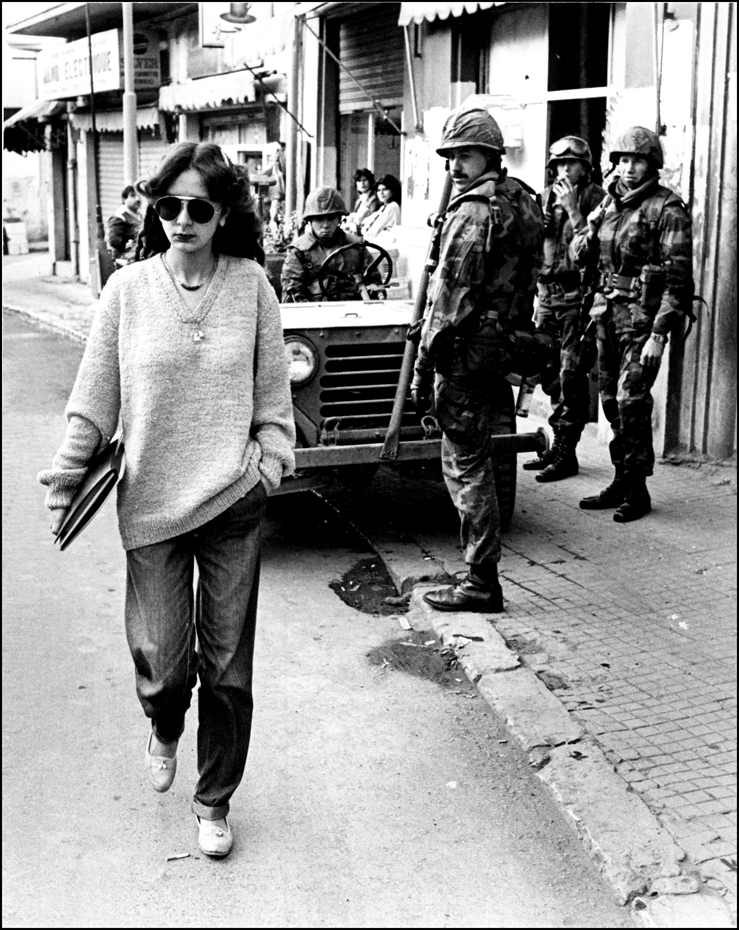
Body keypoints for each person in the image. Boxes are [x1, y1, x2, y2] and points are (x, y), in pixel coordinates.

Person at [38, 142, 296, 858]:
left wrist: (270, 462)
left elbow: (273, 397)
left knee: (229, 671)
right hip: (150, 503)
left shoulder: (251, 288)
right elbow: (94, 401)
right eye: (169, 206)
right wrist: (65, 479)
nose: (181, 220)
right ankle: (162, 724)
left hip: (233, 500)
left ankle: (213, 801)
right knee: (165, 663)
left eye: (198, 208)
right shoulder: (126, 289)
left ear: (223, 216)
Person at [410, 106, 546, 612]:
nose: (454, 167)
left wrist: (426, 364)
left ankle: (481, 582)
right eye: (450, 157)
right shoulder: (521, 202)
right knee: (480, 455)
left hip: (467, 353)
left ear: (489, 154)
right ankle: (480, 575)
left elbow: (448, 301)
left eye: (463, 155)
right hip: (503, 343)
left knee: (466, 464)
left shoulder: (471, 213)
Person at [570, 126, 693, 522]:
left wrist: (660, 334)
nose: (628, 168)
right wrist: (588, 225)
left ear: (652, 165)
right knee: (609, 401)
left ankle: (638, 490)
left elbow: (679, 284)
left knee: (631, 401)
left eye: (637, 160)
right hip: (607, 315)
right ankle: (622, 479)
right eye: (622, 160)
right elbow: (579, 258)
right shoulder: (610, 206)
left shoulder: (667, 209)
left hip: (643, 322)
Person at [524, 136, 606, 481]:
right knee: (547, 370)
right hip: (546, 296)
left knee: (571, 375)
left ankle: (565, 452)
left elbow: (589, 252)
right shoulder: (545, 197)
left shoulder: (597, 199)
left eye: (571, 163)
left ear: (585, 167)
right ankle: (558, 445)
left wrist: (574, 211)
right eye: (558, 164)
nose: (564, 170)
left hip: (576, 299)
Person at [281, 186, 380, 302]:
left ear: (339, 219)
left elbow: (374, 282)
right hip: (315, 314)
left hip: (354, 313)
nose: (325, 225)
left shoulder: (357, 247)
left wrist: (373, 289)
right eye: (319, 219)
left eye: (331, 218)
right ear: (310, 221)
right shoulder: (299, 251)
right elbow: (292, 294)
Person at [361, 174, 402, 248]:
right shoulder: (383, 207)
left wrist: (365, 230)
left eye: (385, 189)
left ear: (393, 190)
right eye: (379, 190)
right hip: (376, 244)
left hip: (383, 247)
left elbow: (372, 231)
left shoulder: (392, 206)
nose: (381, 193)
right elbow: (364, 223)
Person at [107, 185, 142, 263]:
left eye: (139, 195)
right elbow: (114, 240)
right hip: (123, 259)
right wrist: (129, 246)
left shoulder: (138, 214)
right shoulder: (120, 216)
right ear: (124, 199)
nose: (137, 199)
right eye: (133, 196)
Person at [344, 168, 381, 234]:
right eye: (359, 181)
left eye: (364, 180)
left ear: (370, 182)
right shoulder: (359, 201)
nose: (362, 183)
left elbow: (372, 222)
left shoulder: (374, 200)